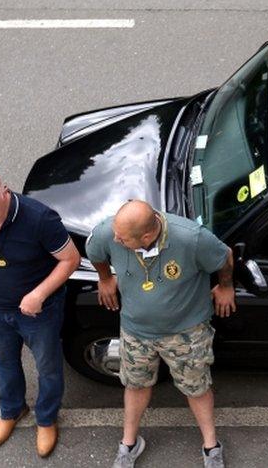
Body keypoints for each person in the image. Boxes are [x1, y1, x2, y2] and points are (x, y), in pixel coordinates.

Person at [85, 200, 236, 468]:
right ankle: (129, 444)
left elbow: (224, 257)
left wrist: (225, 286)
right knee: (135, 385)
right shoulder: (110, 231)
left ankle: (211, 446)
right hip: (135, 331)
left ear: (145, 236)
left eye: (122, 238)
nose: (115, 239)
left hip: (186, 332)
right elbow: (95, 251)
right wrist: (105, 278)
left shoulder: (192, 238)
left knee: (197, 388)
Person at [0, 169, 80, 457]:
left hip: (40, 312)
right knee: (3, 362)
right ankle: (12, 410)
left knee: (48, 368)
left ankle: (47, 418)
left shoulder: (40, 219)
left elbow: (70, 259)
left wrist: (38, 294)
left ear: (5, 192)